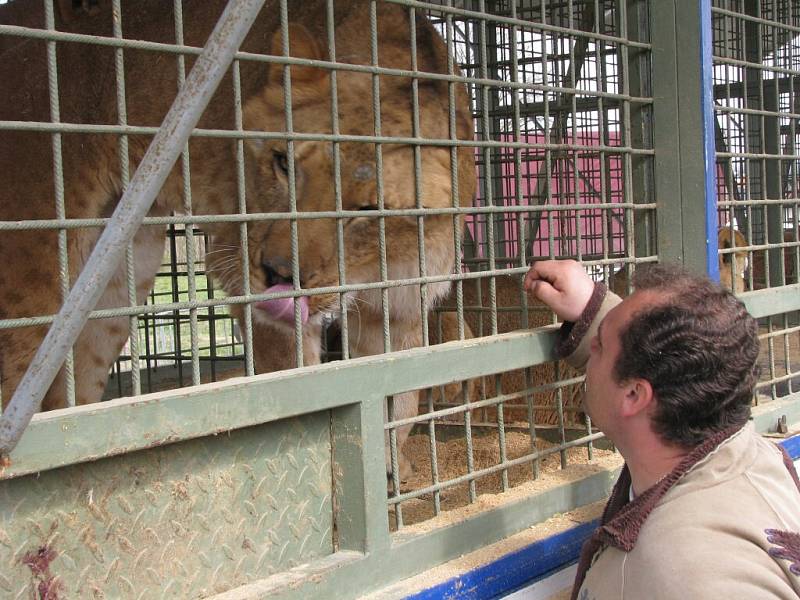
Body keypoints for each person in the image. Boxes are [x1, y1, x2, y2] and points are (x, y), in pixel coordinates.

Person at [523, 259, 800, 600]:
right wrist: (594, 309)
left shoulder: (688, 576)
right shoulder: (752, 457)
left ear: (635, 394)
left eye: (601, 344)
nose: (591, 344)